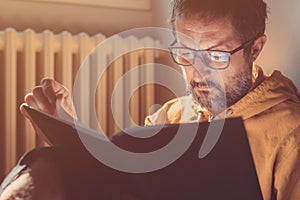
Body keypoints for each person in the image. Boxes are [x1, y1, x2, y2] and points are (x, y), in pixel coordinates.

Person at [1, 0, 300, 199]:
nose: (196, 73)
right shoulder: (170, 117)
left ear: (256, 49)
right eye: (184, 53)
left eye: (215, 55)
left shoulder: (289, 134)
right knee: (48, 166)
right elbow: (128, 186)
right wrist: (71, 129)